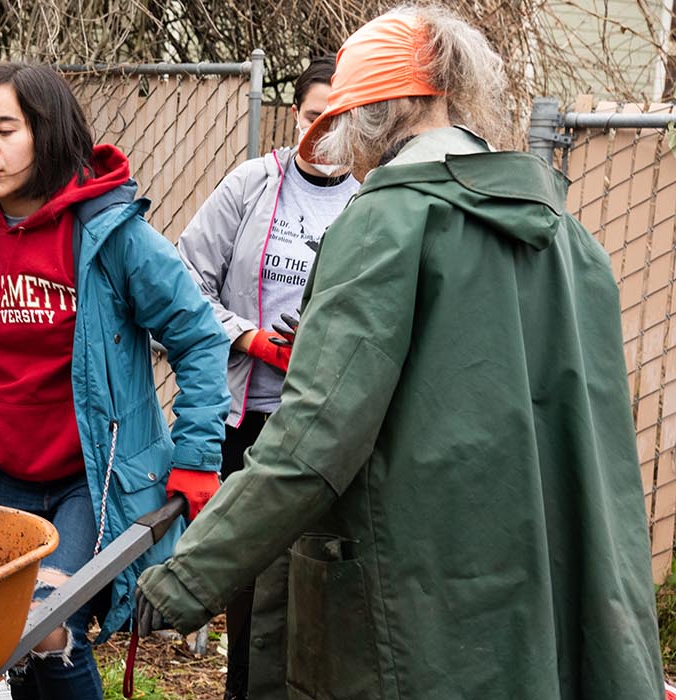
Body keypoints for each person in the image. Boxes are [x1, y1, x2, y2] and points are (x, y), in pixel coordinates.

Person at [135, 7, 664, 699]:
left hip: (414, 630)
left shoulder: (386, 222)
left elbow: (313, 440)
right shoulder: (569, 238)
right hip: (548, 619)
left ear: (378, 115)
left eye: (342, 129)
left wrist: (183, 579)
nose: (343, 155)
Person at [0, 62, 232, 699]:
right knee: (1, 636)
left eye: (6, 129)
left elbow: (200, 338)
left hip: (86, 477)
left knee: (43, 620)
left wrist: (198, 454)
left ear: (48, 132)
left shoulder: (110, 236)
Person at [176, 57, 359, 700]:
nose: (327, 133)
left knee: (314, 569)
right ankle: (240, 687)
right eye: (316, 117)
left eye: (342, 119)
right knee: (247, 568)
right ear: (295, 117)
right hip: (245, 414)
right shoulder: (251, 184)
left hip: (321, 420)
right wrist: (247, 337)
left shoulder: (371, 201)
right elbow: (186, 281)